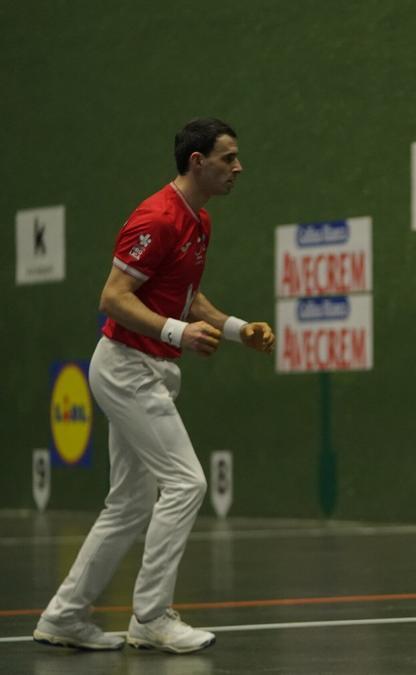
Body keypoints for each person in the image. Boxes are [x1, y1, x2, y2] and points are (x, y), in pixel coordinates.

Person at [32, 118, 275, 654]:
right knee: (187, 483)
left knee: (130, 504)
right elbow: (114, 297)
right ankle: (151, 617)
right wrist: (176, 332)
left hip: (149, 367)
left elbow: (186, 296)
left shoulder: (200, 222)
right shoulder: (158, 217)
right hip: (125, 367)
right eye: (228, 158)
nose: (238, 167)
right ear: (197, 162)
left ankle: (65, 615)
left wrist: (237, 331)